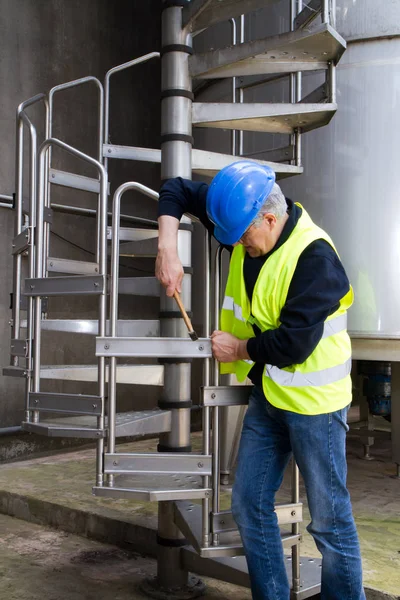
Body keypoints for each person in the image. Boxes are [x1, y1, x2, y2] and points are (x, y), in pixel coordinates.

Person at [155, 161, 365, 600]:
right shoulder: (237, 209)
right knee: (249, 505)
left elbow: (293, 345)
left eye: (245, 240)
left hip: (316, 407)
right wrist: (168, 248)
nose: (239, 248)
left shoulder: (315, 259)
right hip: (270, 396)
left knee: (329, 522)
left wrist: (238, 350)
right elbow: (175, 188)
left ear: (270, 218)